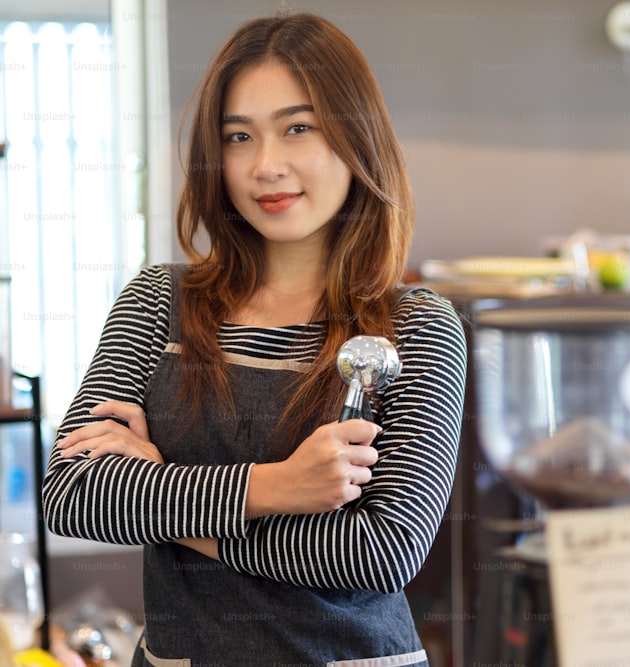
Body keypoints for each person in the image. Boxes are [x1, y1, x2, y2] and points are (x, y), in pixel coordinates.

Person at [41, 11, 467, 667]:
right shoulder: (159, 302)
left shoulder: (415, 325)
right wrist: (275, 487)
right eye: (239, 136)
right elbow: (75, 495)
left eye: (297, 128)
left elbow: (379, 552)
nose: (265, 165)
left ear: (357, 137)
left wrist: (162, 490)